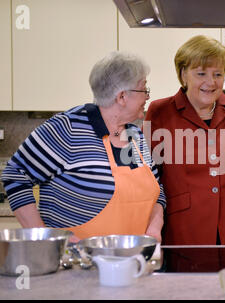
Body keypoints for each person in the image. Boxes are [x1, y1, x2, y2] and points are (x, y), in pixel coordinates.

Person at [1, 51, 166, 242]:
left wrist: (155, 226)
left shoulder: (133, 135)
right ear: (122, 97)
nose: (147, 97)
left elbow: (156, 190)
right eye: (144, 89)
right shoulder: (66, 129)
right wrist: (44, 240)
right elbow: (15, 175)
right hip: (75, 264)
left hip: (132, 261)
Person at [144, 35, 225, 245]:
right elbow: (148, 178)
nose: (211, 83)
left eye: (218, 74)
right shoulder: (160, 112)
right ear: (184, 75)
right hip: (183, 231)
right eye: (201, 73)